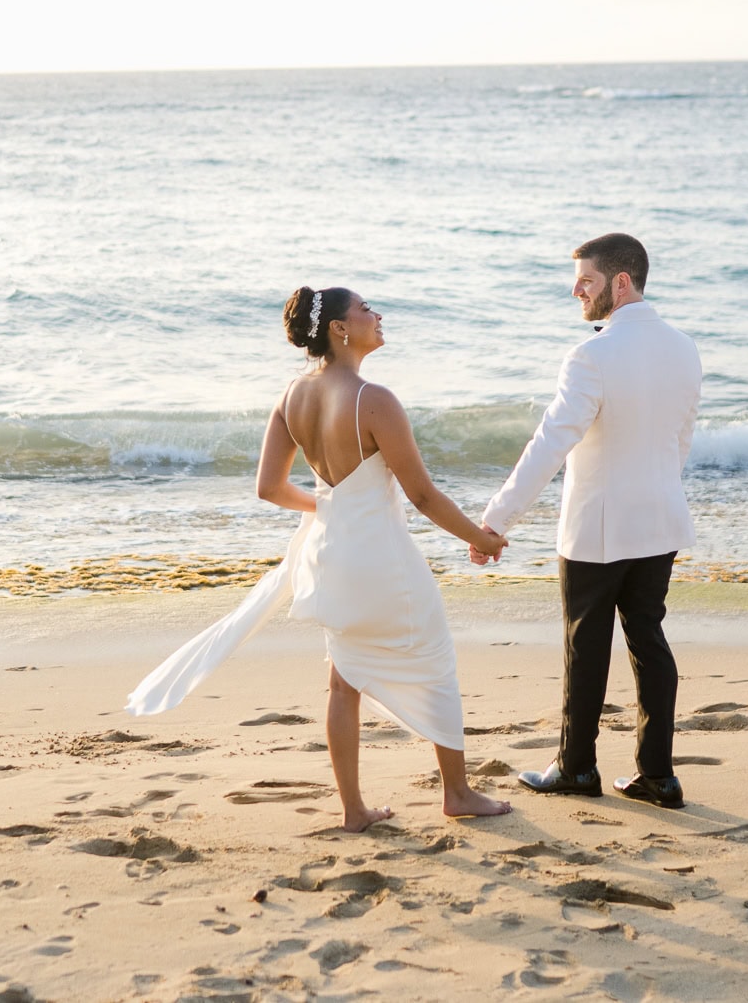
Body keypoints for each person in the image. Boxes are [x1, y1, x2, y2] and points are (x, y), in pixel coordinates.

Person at [127, 286, 512, 831]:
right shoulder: (373, 399)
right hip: (381, 558)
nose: (377, 316)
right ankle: (457, 792)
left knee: (343, 680)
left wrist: (332, 505)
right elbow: (423, 496)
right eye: (365, 309)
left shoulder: (291, 397)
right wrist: (484, 538)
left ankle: (354, 810)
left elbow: (269, 487)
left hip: (330, 554)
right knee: (435, 663)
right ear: (339, 328)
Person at [476, 233, 702, 807]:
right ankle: (659, 775)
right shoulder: (685, 348)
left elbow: (550, 444)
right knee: (649, 639)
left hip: (598, 528)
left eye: (586, 280)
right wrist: (655, 487)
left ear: (619, 283)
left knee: (587, 647)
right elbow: (680, 440)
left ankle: (576, 768)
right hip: (660, 518)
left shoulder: (591, 357)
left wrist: (498, 520)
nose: (575, 290)